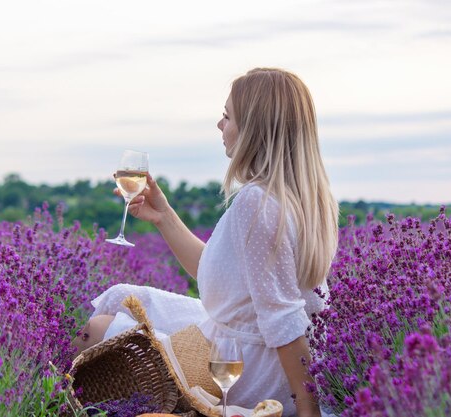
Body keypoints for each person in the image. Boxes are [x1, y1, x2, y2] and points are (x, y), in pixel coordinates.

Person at [73, 68, 339, 417]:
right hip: (248, 335)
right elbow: (218, 276)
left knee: (95, 331)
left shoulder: (257, 203)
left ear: (254, 130)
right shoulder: (302, 196)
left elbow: (284, 319)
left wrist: (309, 411)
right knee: (122, 297)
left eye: (228, 116)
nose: (219, 124)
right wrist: (163, 215)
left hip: (251, 365)